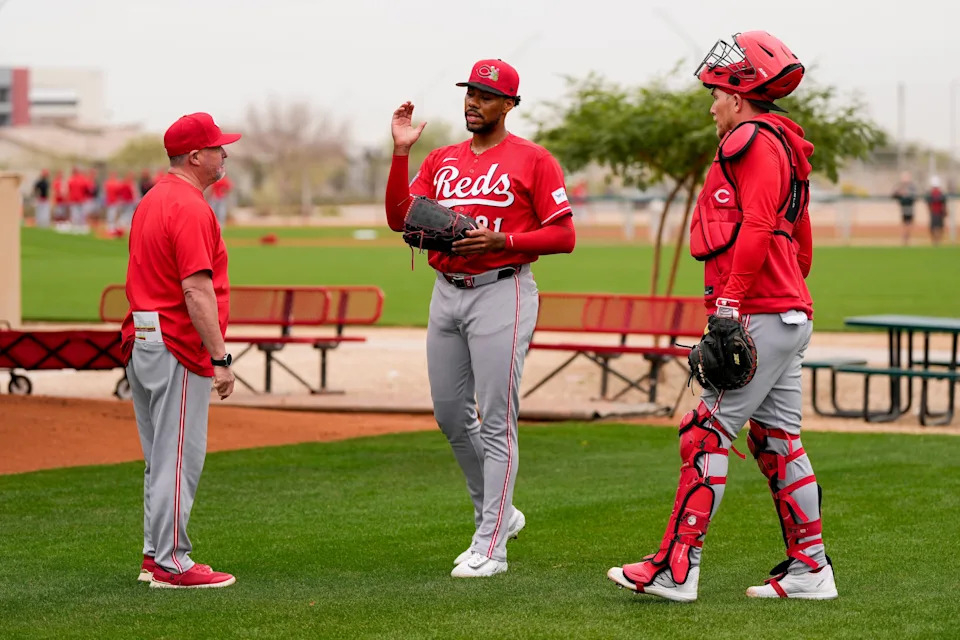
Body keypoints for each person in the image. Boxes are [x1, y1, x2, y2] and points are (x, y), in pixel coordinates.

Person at [607, 31, 838, 602]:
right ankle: (811, 570)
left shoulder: (750, 139)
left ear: (737, 97)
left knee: (705, 432)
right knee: (778, 441)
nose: (712, 106)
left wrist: (732, 303)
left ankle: (676, 569)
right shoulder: (785, 143)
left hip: (759, 310)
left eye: (715, 95)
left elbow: (757, 224)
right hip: (785, 310)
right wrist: (787, 297)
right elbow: (801, 240)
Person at [384, 59, 576, 578]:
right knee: (450, 415)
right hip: (446, 291)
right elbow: (400, 217)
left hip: (502, 290)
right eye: (470, 92)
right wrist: (401, 153)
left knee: (496, 419)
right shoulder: (442, 159)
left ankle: (491, 545)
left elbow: (564, 235)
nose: (474, 102)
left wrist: (503, 240)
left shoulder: (534, 160)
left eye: (487, 95)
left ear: (509, 104)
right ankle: (501, 514)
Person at [122, 112, 240, 589]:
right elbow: (195, 290)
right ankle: (172, 563)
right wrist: (220, 357)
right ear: (195, 156)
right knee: (178, 457)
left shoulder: (153, 198)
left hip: (143, 338)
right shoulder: (189, 206)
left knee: (160, 456)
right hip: (177, 344)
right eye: (216, 147)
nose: (224, 153)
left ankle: (155, 555)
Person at [892, 172, 917, 245]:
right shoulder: (899, 187)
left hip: (910, 208)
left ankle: (907, 237)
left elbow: (914, 197)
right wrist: (899, 193)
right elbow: (894, 195)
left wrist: (907, 194)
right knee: (904, 223)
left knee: (910, 223)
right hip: (903, 208)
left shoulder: (912, 187)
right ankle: (904, 238)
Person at [925, 176, 947, 245]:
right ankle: (936, 241)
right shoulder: (932, 193)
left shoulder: (939, 193)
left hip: (938, 212)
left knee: (938, 227)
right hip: (935, 212)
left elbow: (943, 203)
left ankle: (936, 241)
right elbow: (929, 203)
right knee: (935, 227)